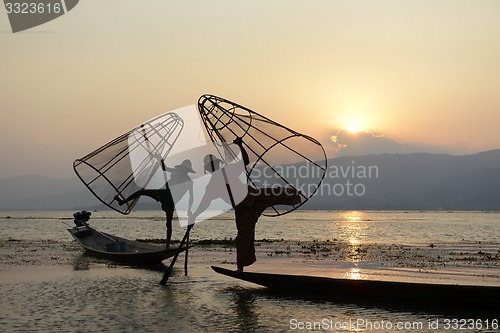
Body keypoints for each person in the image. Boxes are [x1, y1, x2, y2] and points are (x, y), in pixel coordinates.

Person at [189, 138, 301, 271]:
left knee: (275, 193)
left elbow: (245, 161)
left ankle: (295, 195)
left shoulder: (227, 171)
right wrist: (194, 216)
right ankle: (241, 267)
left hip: (253, 196)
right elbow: (205, 203)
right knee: (244, 236)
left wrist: (239, 146)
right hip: (243, 209)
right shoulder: (212, 185)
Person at [115, 159, 195, 247]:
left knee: (169, 223)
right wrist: (160, 159)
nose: (183, 171)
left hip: (170, 201)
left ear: (187, 171)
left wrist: (189, 209)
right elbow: (165, 168)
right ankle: (122, 202)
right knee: (141, 192)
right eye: (182, 169)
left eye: (185, 170)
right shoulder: (177, 172)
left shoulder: (189, 182)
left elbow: (191, 197)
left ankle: (167, 245)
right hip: (162, 193)